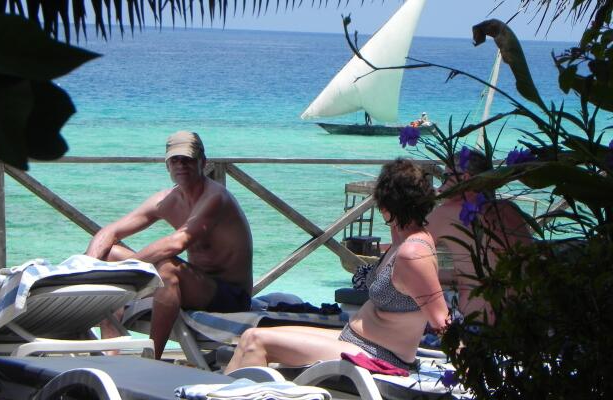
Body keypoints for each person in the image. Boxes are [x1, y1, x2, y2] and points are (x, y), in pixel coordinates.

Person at [224, 159, 449, 373]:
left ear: (387, 204)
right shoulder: (401, 239)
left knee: (256, 342)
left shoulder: (413, 254)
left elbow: (441, 320)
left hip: (378, 355)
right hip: (354, 340)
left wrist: (473, 371)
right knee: (249, 336)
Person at [85, 130, 253, 359]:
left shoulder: (215, 198)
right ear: (167, 165)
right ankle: (110, 349)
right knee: (110, 254)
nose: (181, 165)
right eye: (175, 160)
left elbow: (176, 243)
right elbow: (110, 231)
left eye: (188, 159)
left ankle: (151, 357)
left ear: (202, 162)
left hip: (229, 296)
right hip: (196, 285)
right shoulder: (167, 199)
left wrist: (128, 269)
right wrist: (87, 269)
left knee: (167, 268)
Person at [428, 148, 533, 321]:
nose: (440, 187)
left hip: (478, 325)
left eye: (445, 178)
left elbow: (404, 260)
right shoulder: (509, 209)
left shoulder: (444, 214)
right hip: (523, 320)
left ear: (466, 179)